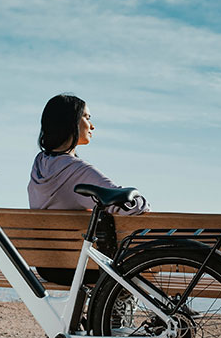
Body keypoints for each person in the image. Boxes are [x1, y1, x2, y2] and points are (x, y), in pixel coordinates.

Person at [28, 93, 150, 285]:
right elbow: (130, 206)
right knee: (130, 269)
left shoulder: (39, 164)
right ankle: (119, 310)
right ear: (70, 122)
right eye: (87, 118)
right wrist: (142, 200)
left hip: (47, 266)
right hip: (83, 266)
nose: (92, 126)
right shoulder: (77, 170)